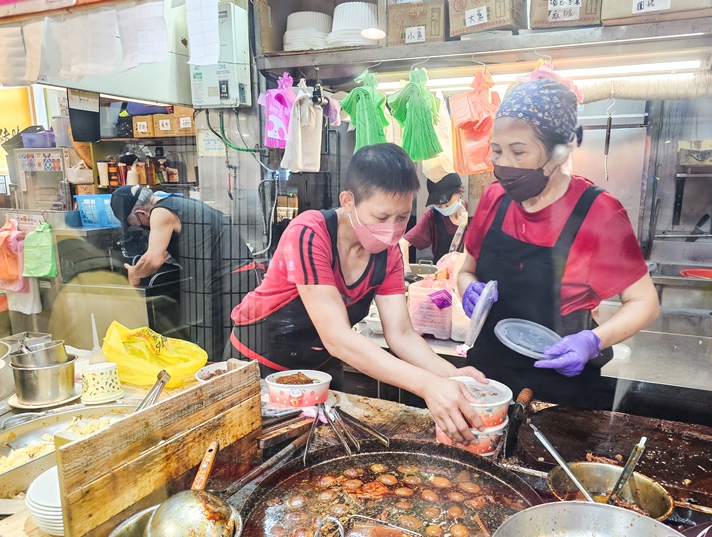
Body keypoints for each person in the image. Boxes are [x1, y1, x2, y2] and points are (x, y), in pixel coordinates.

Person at [229, 144, 486, 444]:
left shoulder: (389, 255)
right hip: (259, 368)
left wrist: (449, 375)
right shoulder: (309, 233)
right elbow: (337, 337)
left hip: (320, 374)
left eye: (402, 218)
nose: (392, 230)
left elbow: (401, 333)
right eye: (381, 217)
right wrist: (427, 386)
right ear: (348, 201)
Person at [457, 78, 659, 407]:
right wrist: (467, 288)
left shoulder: (599, 213)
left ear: (557, 152)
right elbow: (466, 269)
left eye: (518, 151)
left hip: (562, 393)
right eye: (496, 151)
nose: (504, 164)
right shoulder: (494, 198)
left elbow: (644, 303)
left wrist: (594, 341)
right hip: (488, 382)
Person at [112, 185, 258, 362]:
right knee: (228, 342)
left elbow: (153, 259)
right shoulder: (176, 202)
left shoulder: (160, 213)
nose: (136, 227)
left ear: (141, 213)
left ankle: (221, 384)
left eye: (131, 223)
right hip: (238, 276)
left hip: (229, 280)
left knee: (214, 348)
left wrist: (134, 274)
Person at [399, 173, 465, 272]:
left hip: (468, 277)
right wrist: (406, 271)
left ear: (458, 192)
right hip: (442, 278)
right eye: (438, 204)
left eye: (446, 203)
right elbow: (403, 242)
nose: (442, 207)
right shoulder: (433, 215)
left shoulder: (473, 213)